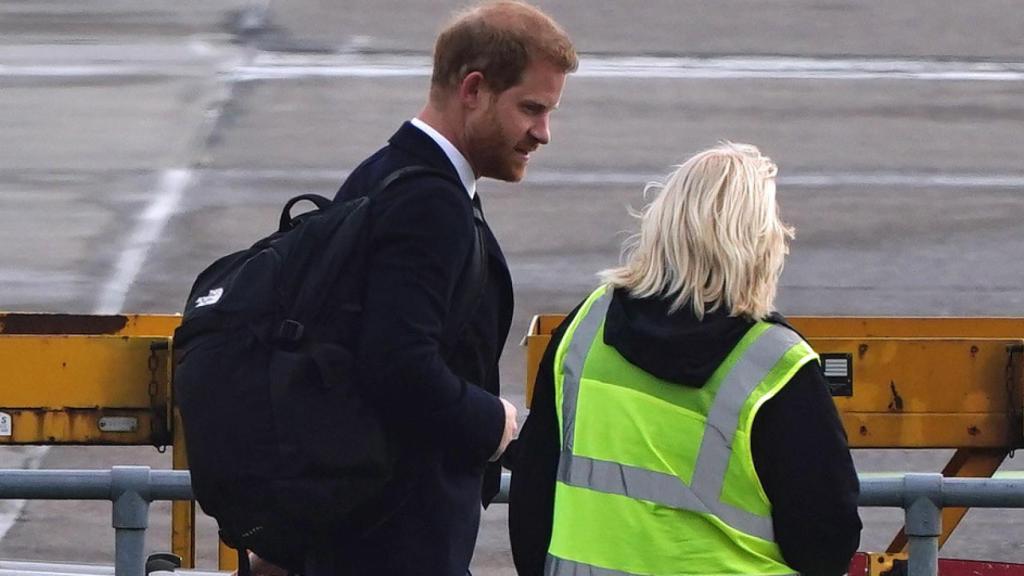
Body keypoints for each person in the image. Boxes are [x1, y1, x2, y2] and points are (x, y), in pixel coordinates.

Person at [234, 3, 576, 576]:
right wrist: (494, 423)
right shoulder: (429, 204)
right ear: (474, 89)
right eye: (532, 109)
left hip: (350, 529)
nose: (542, 133)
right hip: (395, 539)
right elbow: (397, 364)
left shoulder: (382, 175)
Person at [506, 142, 862, 576]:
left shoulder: (585, 329)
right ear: (761, 245)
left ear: (661, 225)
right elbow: (826, 543)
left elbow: (532, 500)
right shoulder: (774, 366)